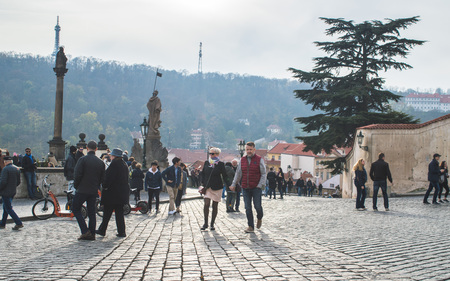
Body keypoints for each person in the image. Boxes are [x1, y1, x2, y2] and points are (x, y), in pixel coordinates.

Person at [230, 142, 266, 233]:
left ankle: (259, 217)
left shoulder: (259, 159)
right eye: (247, 150)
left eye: (250, 149)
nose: (249, 151)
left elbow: (263, 174)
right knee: (247, 207)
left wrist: (260, 185)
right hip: (245, 187)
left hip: (256, 187)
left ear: (254, 149)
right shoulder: (242, 160)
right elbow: (238, 173)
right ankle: (250, 226)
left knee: (257, 206)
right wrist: (234, 184)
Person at [73, 141, 105, 240]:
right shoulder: (100, 162)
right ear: (96, 149)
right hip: (93, 190)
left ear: (87, 148)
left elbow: (77, 175)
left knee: (75, 208)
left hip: (82, 189)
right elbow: (102, 178)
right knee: (92, 212)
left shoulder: (83, 160)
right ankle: (92, 233)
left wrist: (76, 185)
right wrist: (96, 186)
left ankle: (85, 231)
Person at [96, 148, 129, 238]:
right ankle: (122, 231)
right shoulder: (124, 164)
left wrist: (104, 186)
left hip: (112, 193)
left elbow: (108, 178)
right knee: (119, 214)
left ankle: (102, 230)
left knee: (107, 213)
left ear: (114, 156)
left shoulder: (114, 164)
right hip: (121, 194)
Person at [200, 147, 229, 230]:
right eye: (210, 153)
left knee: (215, 206)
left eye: (212, 153)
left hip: (217, 187)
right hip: (207, 187)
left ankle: (212, 224)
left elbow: (225, 175)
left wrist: (229, 185)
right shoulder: (206, 162)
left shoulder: (220, 164)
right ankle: (205, 223)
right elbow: (203, 173)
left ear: (217, 154)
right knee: (206, 204)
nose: (211, 155)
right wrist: (202, 183)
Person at [0, 156, 23, 230]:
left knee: (8, 208)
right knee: (6, 207)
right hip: (13, 191)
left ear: (5, 162)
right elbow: (18, 182)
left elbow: (3, 182)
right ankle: (2, 223)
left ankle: (18, 223)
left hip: (5, 192)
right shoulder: (17, 168)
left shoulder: (5, 169)